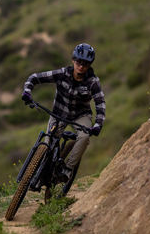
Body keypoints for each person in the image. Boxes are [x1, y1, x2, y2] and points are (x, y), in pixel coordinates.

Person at [20, 43, 105, 182]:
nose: (81, 66)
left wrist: (97, 125)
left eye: (85, 64)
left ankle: (67, 170)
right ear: (73, 60)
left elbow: (100, 104)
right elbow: (34, 77)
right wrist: (27, 91)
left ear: (90, 65)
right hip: (58, 113)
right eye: (79, 62)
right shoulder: (62, 74)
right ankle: (41, 173)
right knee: (47, 143)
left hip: (80, 116)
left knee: (84, 137)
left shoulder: (93, 82)